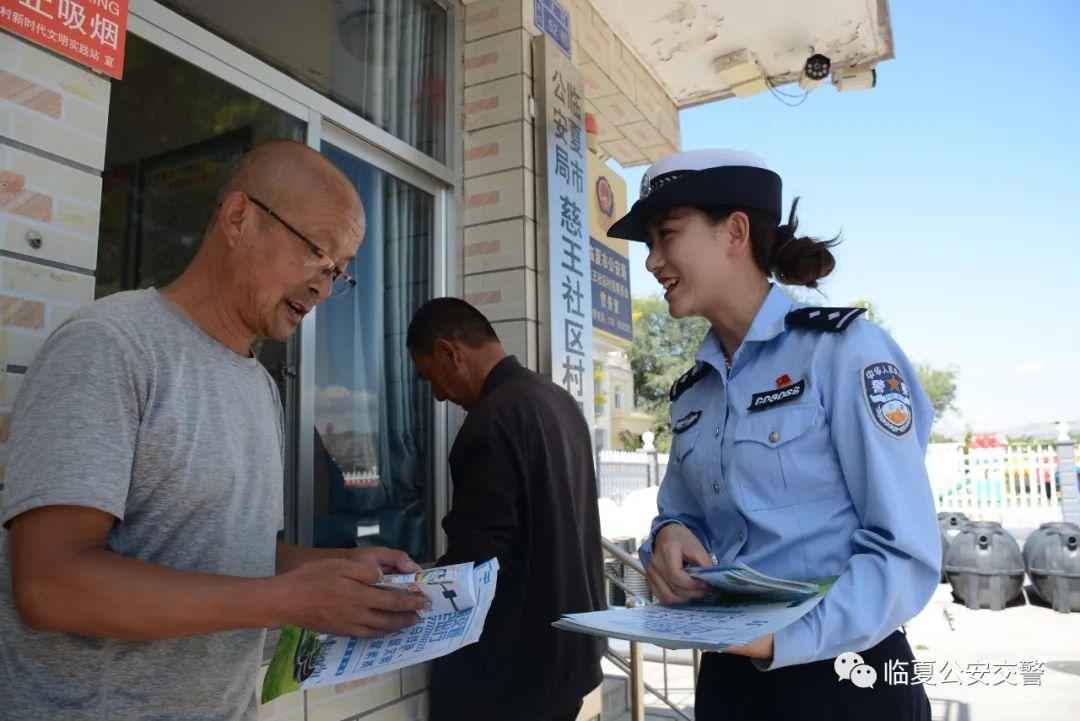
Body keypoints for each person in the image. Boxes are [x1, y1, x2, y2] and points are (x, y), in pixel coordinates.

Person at [0, 140, 429, 720]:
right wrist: (283, 601)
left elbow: (230, 554)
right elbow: (51, 584)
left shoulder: (259, 386)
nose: (325, 288)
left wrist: (332, 572)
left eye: (339, 273)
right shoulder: (110, 347)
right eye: (317, 254)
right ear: (238, 219)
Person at [607, 149, 940, 720]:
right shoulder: (694, 392)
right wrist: (669, 538)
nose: (653, 261)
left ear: (734, 232)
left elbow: (904, 552)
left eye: (666, 235)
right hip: (730, 676)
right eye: (649, 245)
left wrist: (780, 637)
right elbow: (680, 513)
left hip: (848, 677)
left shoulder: (842, 353)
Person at [406, 298, 606, 721]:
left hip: (512, 677)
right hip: (571, 658)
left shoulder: (490, 421)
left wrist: (402, 592)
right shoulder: (560, 401)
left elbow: (476, 563)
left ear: (449, 352)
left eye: (430, 377)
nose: (438, 395)